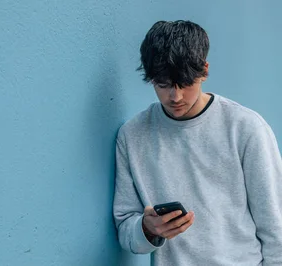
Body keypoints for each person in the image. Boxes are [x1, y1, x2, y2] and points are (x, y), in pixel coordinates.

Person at [113, 20, 282, 265]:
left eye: (185, 84)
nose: (175, 96)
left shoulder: (245, 128)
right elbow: (125, 229)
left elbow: (276, 225)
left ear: (204, 70)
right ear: (151, 79)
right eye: (164, 84)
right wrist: (148, 229)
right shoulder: (132, 135)